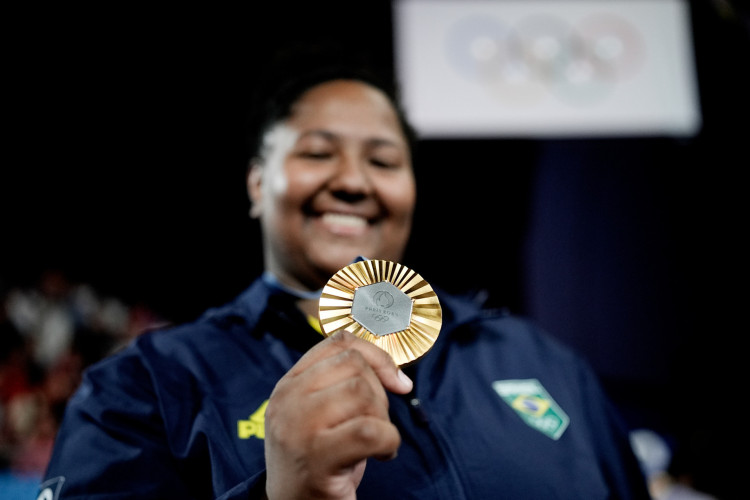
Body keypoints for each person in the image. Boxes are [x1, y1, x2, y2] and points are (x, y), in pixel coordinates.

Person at [38, 46, 650, 499]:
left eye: (383, 160)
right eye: (316, 152)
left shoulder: (540, 360)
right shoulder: (147, 386)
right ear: (257, 182)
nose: (353, 182)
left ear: (412, 187)